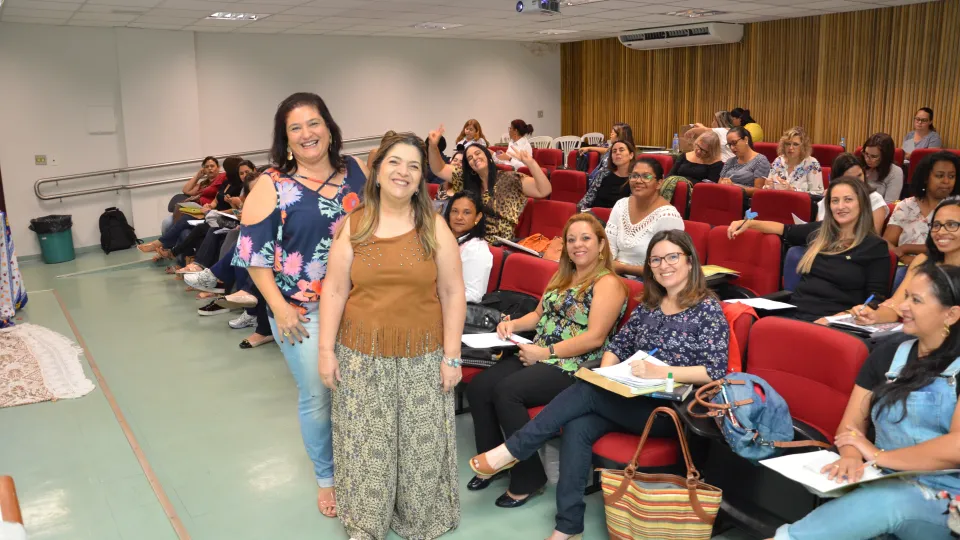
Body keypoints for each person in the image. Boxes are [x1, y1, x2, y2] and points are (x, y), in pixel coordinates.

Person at [469, 229, 729, 540]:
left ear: (689, 261)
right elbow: (618, 344)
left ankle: (512, 450)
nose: (664, 265)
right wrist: (607, 371)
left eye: (672, 257)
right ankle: (567, 527)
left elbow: (714, 371)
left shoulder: (707, 308)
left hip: (670, 409)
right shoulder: (649, 305)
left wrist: (664, 373)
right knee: (579, 424)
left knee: (586, 390)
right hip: (631, 396)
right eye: (656, 260)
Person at [317, 133, 463, 540]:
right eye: (395, 163)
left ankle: (420, 519)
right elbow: (334, 289)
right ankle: (368, 521)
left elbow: (453, 293)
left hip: (423, 356)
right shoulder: (355, 224)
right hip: (361, 357)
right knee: (368, 447)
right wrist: (326, 351)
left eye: (414, 166)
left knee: (420, 446)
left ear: (421, 179)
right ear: (378, 171)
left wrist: (452, 357)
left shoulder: (434, 226)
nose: (404, 172)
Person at [233, 92, 368, 517]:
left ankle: (359, 462)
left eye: (314, 123)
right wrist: (280, 308)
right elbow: (253, 255)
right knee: (317, 393)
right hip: (301, 312)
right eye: (296, 128)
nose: (307, 134)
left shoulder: (354, 173)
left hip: (356, 304)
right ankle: (326, 478)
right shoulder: (271, 185)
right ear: (284, 139)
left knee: (358, 391)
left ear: (329, 127)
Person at [770, 263, 960, 540]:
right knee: (880, 497)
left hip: (947, 497)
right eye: (905, 296)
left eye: (916, 300)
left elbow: (955, 446)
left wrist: (877, 455)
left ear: (951, 314)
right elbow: (851, 424)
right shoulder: (888, 353)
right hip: (883, 479)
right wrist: (850, 456)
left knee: (888, 500)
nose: (903, 307)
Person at [466, 213, 627, 508]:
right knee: (478, 387)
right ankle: (495, 462)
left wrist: (546, 354)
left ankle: (528, 479)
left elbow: (594, 338)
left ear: (602, 244)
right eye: (571, 239)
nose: (577, 245)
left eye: (586, 238)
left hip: (573, 364)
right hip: (537, 352)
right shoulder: (562, 275)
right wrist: (512, 324)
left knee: (507, 391)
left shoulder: (609, 283)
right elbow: (539, 316)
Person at [729, 177, 890, 322]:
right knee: (737, 314)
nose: (840, 206)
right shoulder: (821, 231)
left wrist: (842, 317)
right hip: (796, 312)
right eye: (834, 201)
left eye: (848, 200)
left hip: (836, 322)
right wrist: (749, 223)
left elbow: (875, 299)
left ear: (861, 203)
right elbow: (785, 229)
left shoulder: (875, 246)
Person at [428, 124, 551, 242]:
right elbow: (439, 169)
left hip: (498, 244)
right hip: (469, 241)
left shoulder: (510, 179)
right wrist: (433, 147)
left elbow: (544, 190)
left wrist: (531, 163)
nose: (474, 158)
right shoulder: (466, 179)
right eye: (470, 158)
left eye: (477, 154)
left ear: (488, 156)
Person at [854, 197, 960, 326]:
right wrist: (873, 315)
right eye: (936, 225)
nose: (941, 232)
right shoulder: (923, 261)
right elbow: (895, 306)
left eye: (952, 225)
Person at [606, 157, 684, 277]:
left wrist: (624, 268)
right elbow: (609, 246)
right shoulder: (621, 205)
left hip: (650, 282)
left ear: (659, 183)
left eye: (646, 177)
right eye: (634, 176)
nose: (638, 181)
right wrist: (609, 266)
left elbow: (669, 266)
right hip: (614, 274)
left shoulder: (668, 216)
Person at [885, 152, 960, 266]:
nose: (946, 181)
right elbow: (887, 241)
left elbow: (951, 244)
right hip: (903, 266)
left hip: (944, 269)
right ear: (925, 178)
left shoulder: (956, 206)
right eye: (939, 175)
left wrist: (906, 248)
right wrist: (905, 259)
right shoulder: (906, 206)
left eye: (951, 176)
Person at [140, 156, 224, 251]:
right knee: (167, 222)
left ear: (218, 167)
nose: (210, 168)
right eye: (206, 166)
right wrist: (197, 176)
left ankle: (162, 246)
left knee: (180, 222)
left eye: (212, 166)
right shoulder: (203, 183)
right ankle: (165, 248)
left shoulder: (221, 180)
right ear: (203, 169)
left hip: (206, 212)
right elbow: (186, 190)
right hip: (195, 211)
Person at [817, 153, 889, 234]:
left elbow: (873, 237)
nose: (857, 181)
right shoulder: (829, 199)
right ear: (838, 179)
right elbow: (817, 233)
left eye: (859, 175)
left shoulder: (874, 199)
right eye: (851, 178)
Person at [443, 190, 492, 303]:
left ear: (477, 217)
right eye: (454, 211)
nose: (459, 217)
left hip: (452, 308)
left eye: (466, 212)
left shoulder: (477, 249)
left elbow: (474, 295)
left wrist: (437, 298)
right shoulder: (443, 239)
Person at [577, 140, 636, 211]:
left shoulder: (636, 179)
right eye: (614, 151)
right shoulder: (603, 173)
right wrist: (578, 211)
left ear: (631, 155)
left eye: (621, 150)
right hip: (594, 215)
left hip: (616, 218)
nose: (617, 153)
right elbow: (588, 197)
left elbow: (631, 208)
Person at [764, 126, 824, 195]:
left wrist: (792, 190)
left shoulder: (812, 164)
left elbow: (818, 194)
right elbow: (768, 188)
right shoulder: (778, 161)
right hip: (777, 202)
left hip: (800, 204)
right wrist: (767, 186)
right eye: (788, 144)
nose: (791, 148)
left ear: (803, 147)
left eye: (795, 144)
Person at [719, 127, 771, 196]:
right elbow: (719, 183)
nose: (732, 147)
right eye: (729, 145)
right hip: (727, 197)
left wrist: (734, 187)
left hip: (745, 201)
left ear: (746, 139)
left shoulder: (760, 161)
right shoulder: (730, 161)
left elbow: (759, 190)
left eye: (734, 143)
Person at [862, 133, 903, 203]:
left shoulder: (895, 172)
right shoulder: (859, 166)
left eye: (874, 156)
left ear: (885, 157)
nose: (867, 159)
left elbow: (889, 205)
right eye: (866, 154)